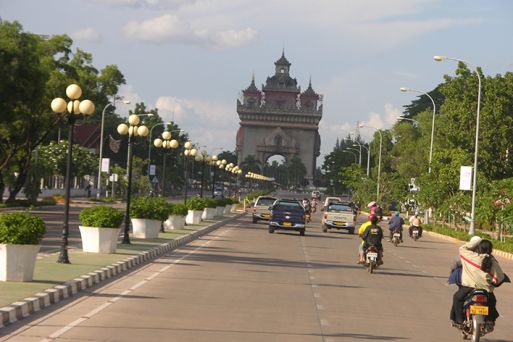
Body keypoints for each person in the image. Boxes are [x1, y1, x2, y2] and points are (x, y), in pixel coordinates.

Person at [450, 237, 506, 328]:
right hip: (486, 290)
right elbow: (499, 278)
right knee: (492, 302)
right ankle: (490, 321)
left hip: (469, 288)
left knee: (457, 298)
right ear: (491, 250)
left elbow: (462, 248)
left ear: (478, 248)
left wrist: (477, 241)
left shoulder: (470, 257)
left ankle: (459, 321)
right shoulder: (493, 261)